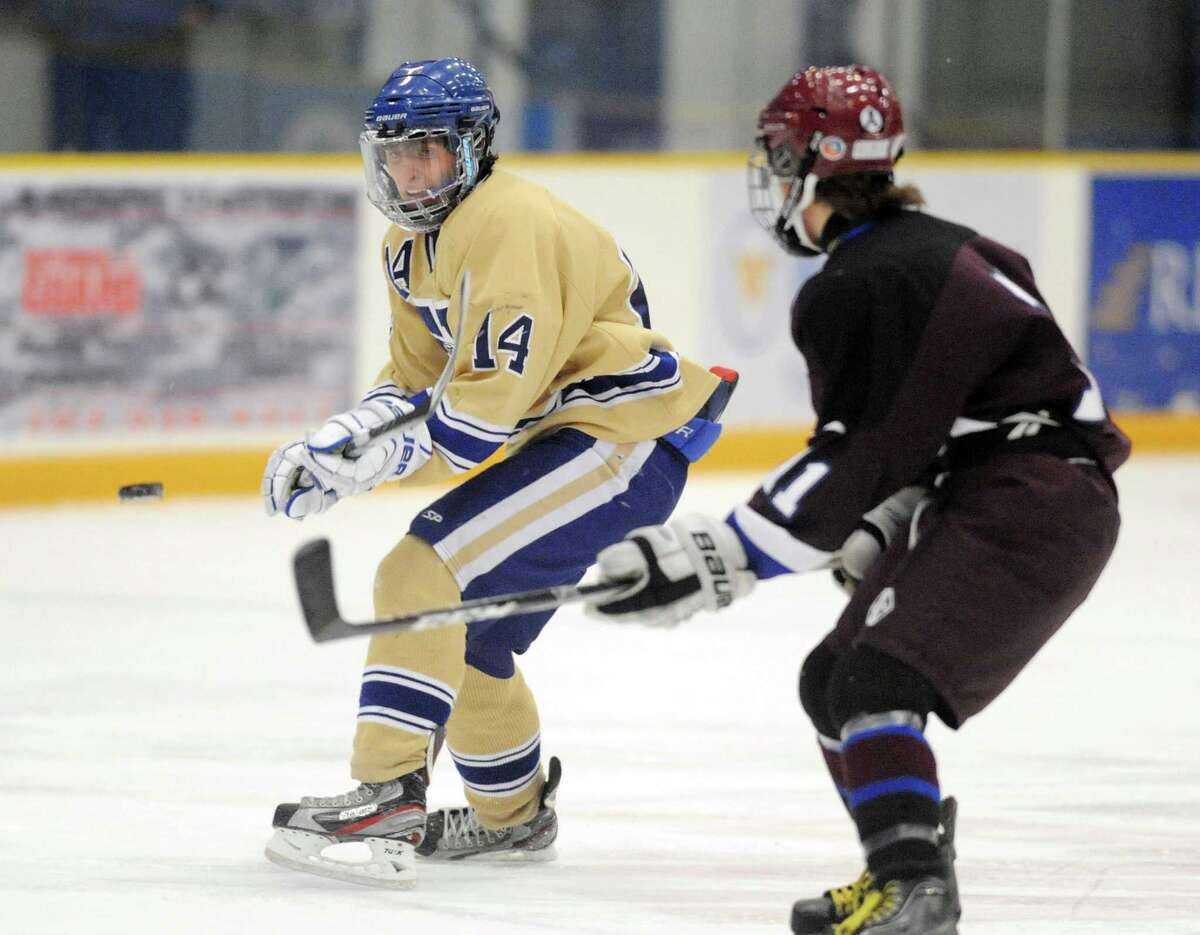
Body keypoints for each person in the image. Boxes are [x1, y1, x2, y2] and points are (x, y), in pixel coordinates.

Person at [587, 65, 1130, 934]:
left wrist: (715, 552)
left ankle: (917, 886)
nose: (768, 171)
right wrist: (887, 514)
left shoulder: (861, 280)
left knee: (878, 678)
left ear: (816, 161)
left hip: (1030, 499)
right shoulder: (936, 248)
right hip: (1018, 486)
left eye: (777, 152)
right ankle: (897, 869)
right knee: (831, 679)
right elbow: (924, 420)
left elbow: (854, 453)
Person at [260, 57, 734, 888]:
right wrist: (343, 445)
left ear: (474, 149)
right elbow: (414, 381)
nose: (408, 174)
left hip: (617, 440)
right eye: (395, 155)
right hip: (574, 444)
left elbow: (474, 421)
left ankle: (387, 790)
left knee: (422, 569)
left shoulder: (509, 222)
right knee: (467, 637)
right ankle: (511, 818)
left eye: (428, 154)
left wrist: (375, 464)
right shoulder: (409, 245)